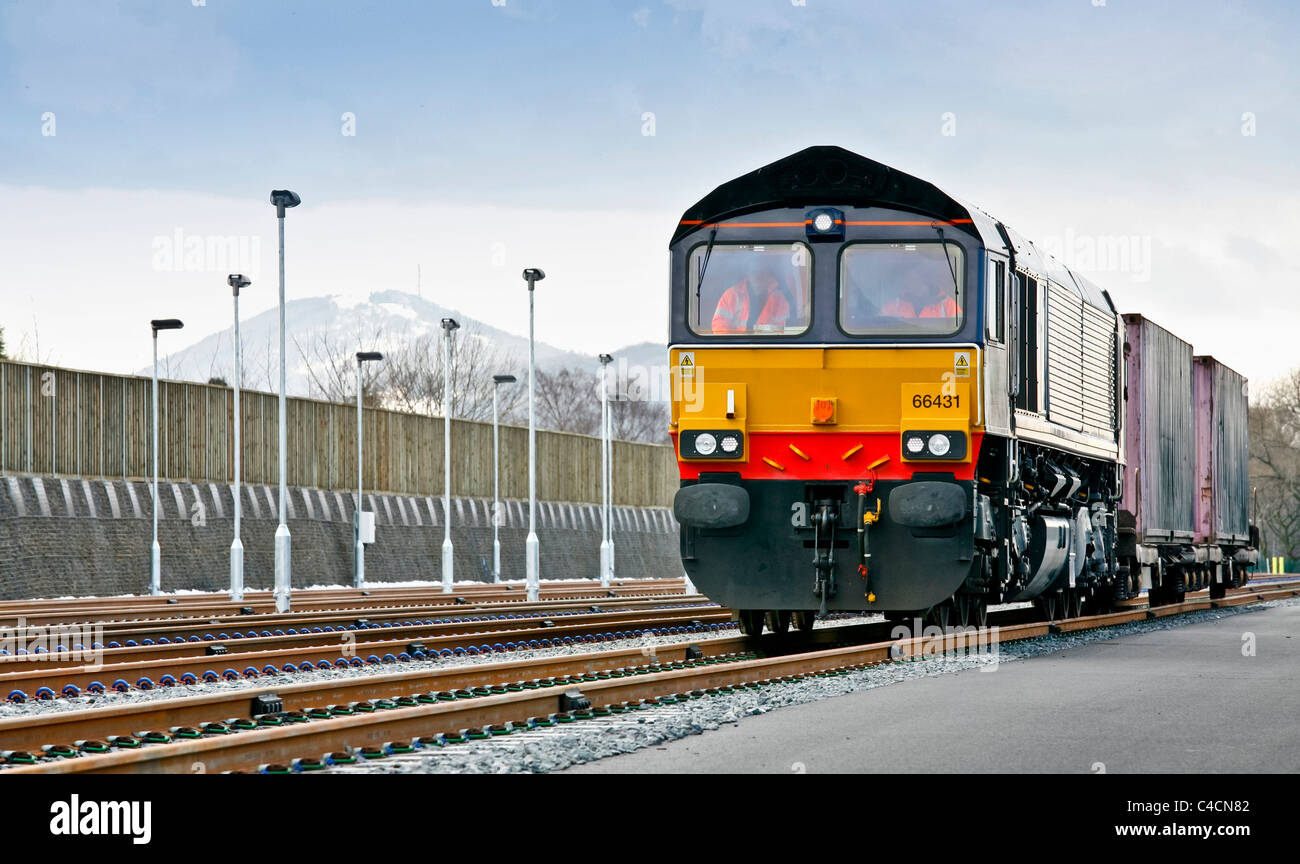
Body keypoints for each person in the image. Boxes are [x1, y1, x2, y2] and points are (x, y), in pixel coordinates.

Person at [711, 266, 790, 333]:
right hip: (736, 348)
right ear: (747, 274)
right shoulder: (731, 295)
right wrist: (734, 346)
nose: (757, 275)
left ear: (768, 275)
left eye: (761, 272)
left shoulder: (779, 299)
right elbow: (719, 326)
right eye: (754, 271)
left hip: (768, 348)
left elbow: (783, 331)